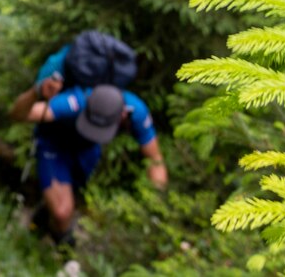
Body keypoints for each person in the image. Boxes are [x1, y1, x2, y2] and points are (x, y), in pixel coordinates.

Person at [10, 55, 168, 245]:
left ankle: (44, 220)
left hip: (87, 152)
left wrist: (156, 208)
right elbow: (19, 114)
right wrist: (36, 92)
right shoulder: (75, 101)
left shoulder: (136, 112)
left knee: (70, 197)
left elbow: (155, 160)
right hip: (54, 145)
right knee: (62, 211)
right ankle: (62, 247)